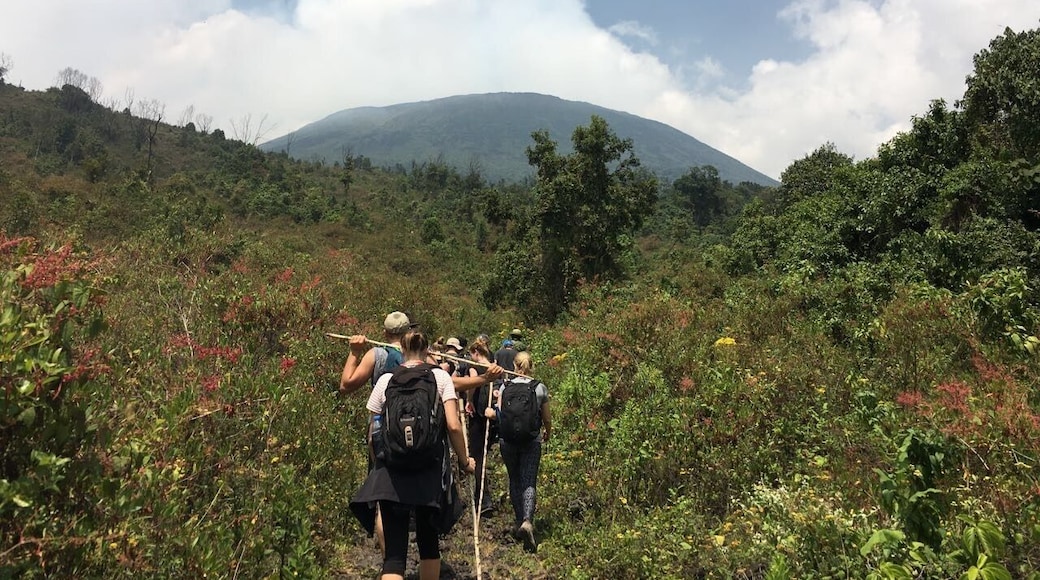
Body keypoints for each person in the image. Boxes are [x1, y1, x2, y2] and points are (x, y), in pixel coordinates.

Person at [351, 329, 475, 580]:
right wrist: (465, 461)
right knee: (429, 547)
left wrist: (378, 464)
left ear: (402, 350)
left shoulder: (387, 379)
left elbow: (373, 429)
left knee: (394, 558)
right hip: (428, 473)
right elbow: (453, 425)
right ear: (427, 351)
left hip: (391, 474)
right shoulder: (440, 378)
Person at [486, 352, 551, 553]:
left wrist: (491, 414)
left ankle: (517, 520)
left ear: (514, 366)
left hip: (508, 441)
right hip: (531, 440)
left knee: (514, 479)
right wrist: (548, 431)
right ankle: (527, 521)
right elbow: (546, 417)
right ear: (531, 366)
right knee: (529, 480)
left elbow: (499, 415)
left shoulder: (505, 386)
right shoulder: (539, 387)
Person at [338, 311, 411, 395]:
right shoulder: (422, 352)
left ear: (385, 333)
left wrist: (355, 351)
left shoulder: (376, 355)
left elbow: (345, 386)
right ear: (408, 332)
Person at [463, 340, 497, 515]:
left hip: (479, 413)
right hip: (493, 414)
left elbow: (472, 384)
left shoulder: (474, 367)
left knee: (477, 457)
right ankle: (484, 496)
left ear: (476, 352)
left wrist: (469, 401)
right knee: (487, 452)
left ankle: (484, 499)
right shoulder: (495, 367)